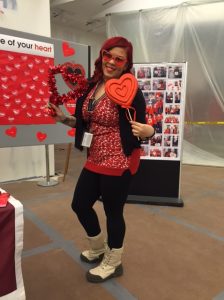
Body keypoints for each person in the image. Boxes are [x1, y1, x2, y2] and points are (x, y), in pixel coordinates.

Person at [49, 36, 154, 283]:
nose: (111, 62)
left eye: (119, 59)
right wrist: (63, 118)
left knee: (113, 212)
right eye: (108, 55)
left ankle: (114, 261)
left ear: (126, 64)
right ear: (102, 55)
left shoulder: (130, 89)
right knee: (80, 204)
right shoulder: (92, 85)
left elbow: (145, 125)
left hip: (118, 160)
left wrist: (149, 132)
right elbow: (86, 121)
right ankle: (97, 247)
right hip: (94, 156)